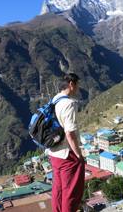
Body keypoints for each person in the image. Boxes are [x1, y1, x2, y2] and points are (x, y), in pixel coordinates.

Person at [47, 73, 85, 212]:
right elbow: (70, 133)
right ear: (71, 84)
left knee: (58, 189)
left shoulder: (55, 100)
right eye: (77, 85)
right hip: (67, 155)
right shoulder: (69, 103)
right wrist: (79, 155)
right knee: (71, 192)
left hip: (54, 152)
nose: (78, 89)